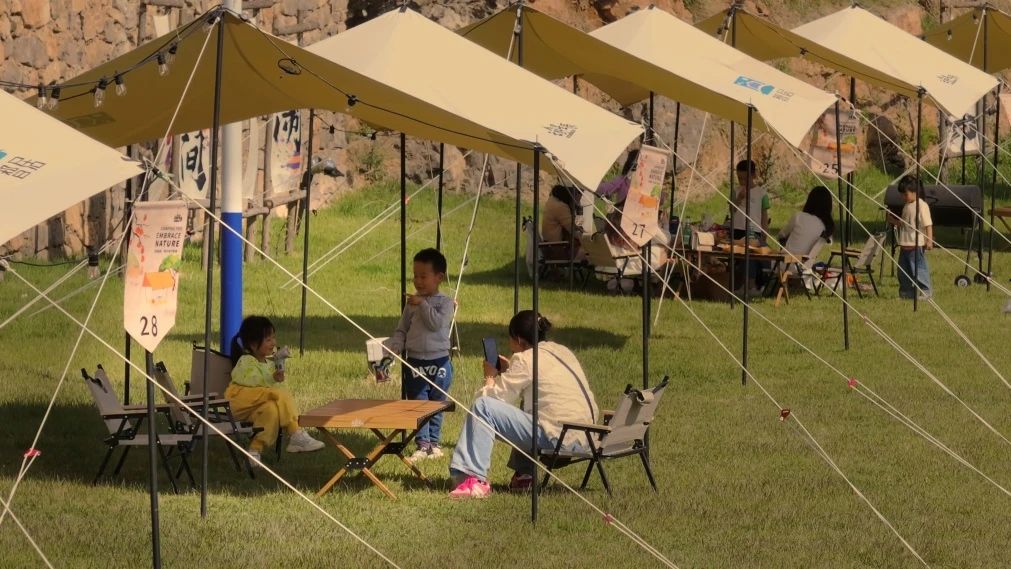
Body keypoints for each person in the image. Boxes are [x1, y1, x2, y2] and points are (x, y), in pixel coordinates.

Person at [448, 311, 599, 498]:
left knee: (483, 407)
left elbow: (493, 399)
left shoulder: (526, 358)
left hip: (559, 437)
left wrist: (489, 377)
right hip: (587, 435)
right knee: (528, 407)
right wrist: (511, 370)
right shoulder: (562, 351)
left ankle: (472, 480)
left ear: (518, 340)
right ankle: (525, 475)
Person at [382, 248, 454, 462]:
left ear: (439, 277)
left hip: (439, 361)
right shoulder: (411, 304)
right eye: (415, 276)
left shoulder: (445, 303)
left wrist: (422, 304)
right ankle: (422, 445)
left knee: (436, 403)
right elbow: (402, 329)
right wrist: (396, 345)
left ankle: (435, 443)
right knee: (418, 403)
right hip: (414, 361)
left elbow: (435, 324)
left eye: (423, 276)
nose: (418, 281)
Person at [226, 316, 325, 464]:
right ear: (253, 344)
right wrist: (271, 377)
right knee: (279, 394)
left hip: (256, 406)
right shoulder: (245, 361)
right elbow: (250, 379)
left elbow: (268, 387)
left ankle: (254, 450)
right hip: (238, 402)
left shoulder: (269, 363)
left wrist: (276, 375)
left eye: (273, 338)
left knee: (272, 410)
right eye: (268, 340)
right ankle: (295, 432)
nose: (273, 343)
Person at [888, 175, 933, 300]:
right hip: (905, 245)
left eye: (905, 194)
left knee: (918, 270)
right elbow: (903, 224)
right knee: (903, 272)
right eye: (902, 195)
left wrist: (929, 240)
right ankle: (906, 293)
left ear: (914, 192)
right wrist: (892, 220)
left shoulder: (922, 205)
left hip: (916, 245)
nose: (903, 197)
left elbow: (928, 224)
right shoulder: (907, 206)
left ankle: (925, 291)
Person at [731, 159, 770, 293]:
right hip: (737, 229)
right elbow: (731, 209)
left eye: (745, 178)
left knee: (750, 256)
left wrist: (765, 232)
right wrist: (739, 198)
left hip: (754, 230)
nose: (742, 181)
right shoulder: (736, 190)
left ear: (753, 175)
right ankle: (743, 284)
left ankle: (751, 284)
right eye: (739, 178)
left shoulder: (761, 193)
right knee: (741, 257)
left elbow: (764, 215)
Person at [778, 186, 834, 256]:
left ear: (810, 201)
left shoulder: (799, 217)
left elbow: (781, 235)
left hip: (786, 260)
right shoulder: (825, 227)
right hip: (806, 262)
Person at [541, 185, 582, 262]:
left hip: (549, 247)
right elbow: (573, 230)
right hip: (557, 249)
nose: (578, 202)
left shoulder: (552, 200)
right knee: (590, 252)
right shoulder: (561, 206)